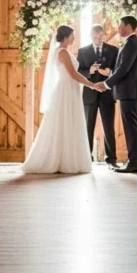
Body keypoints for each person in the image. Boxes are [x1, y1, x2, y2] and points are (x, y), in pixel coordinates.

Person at [22, 25, 94, 175]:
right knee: (64, 122)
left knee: (69, 123)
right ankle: (61, 160)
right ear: (65, 37)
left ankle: (67, 159)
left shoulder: (63, 51)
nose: (74, 39)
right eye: (72, 36)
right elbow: (73, 74)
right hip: (66, 90)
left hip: (71, 89)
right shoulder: (62, 52)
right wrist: (92, 85)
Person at [100, 15, 137, 173]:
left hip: (130, 92)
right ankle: (134, 161)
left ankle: (134, 163)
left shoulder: (132, 44)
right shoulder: (130, 43)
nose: (118, 28)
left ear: (128, 26)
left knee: (131, 129)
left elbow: (123, 69)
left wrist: (105, 84)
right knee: (131, 128)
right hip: (129, 92)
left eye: (120, 25)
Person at [77, 24, 118, 167]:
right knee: (88, 127)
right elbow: (78, 72)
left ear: (104, 34)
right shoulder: (82, 51)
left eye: (101, 36)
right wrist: (89, 71)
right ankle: (86, 159)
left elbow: (118, 70)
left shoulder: (113, 50)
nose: (98, 39)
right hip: (89, 94)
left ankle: (111, 159)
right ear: (91, 36)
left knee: (109, 127)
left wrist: (109, 73)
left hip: (107, 94)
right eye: (95, 36)